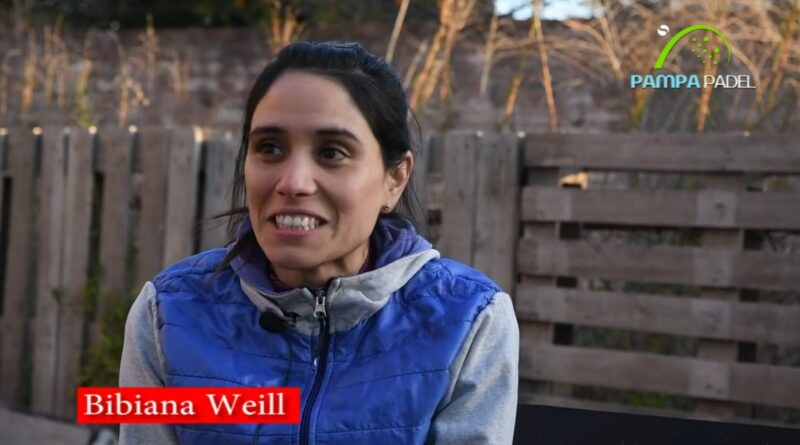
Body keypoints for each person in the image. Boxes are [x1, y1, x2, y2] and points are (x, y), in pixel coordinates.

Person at [119, 41, 519, 444]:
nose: (293, 182)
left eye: (332, 152)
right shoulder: (168, 312)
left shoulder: (469, 320)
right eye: (269, 148)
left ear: (395, 179)